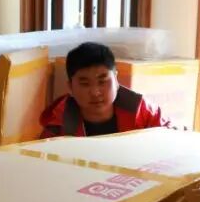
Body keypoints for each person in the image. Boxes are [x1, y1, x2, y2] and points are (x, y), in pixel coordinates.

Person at [39, 42, 171, 138]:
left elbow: (172, 139)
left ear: (116, 80)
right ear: (70, 88)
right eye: (85, 84)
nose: (95, 92)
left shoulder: (142, 111)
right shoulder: (57, 124)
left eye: (102, 82)